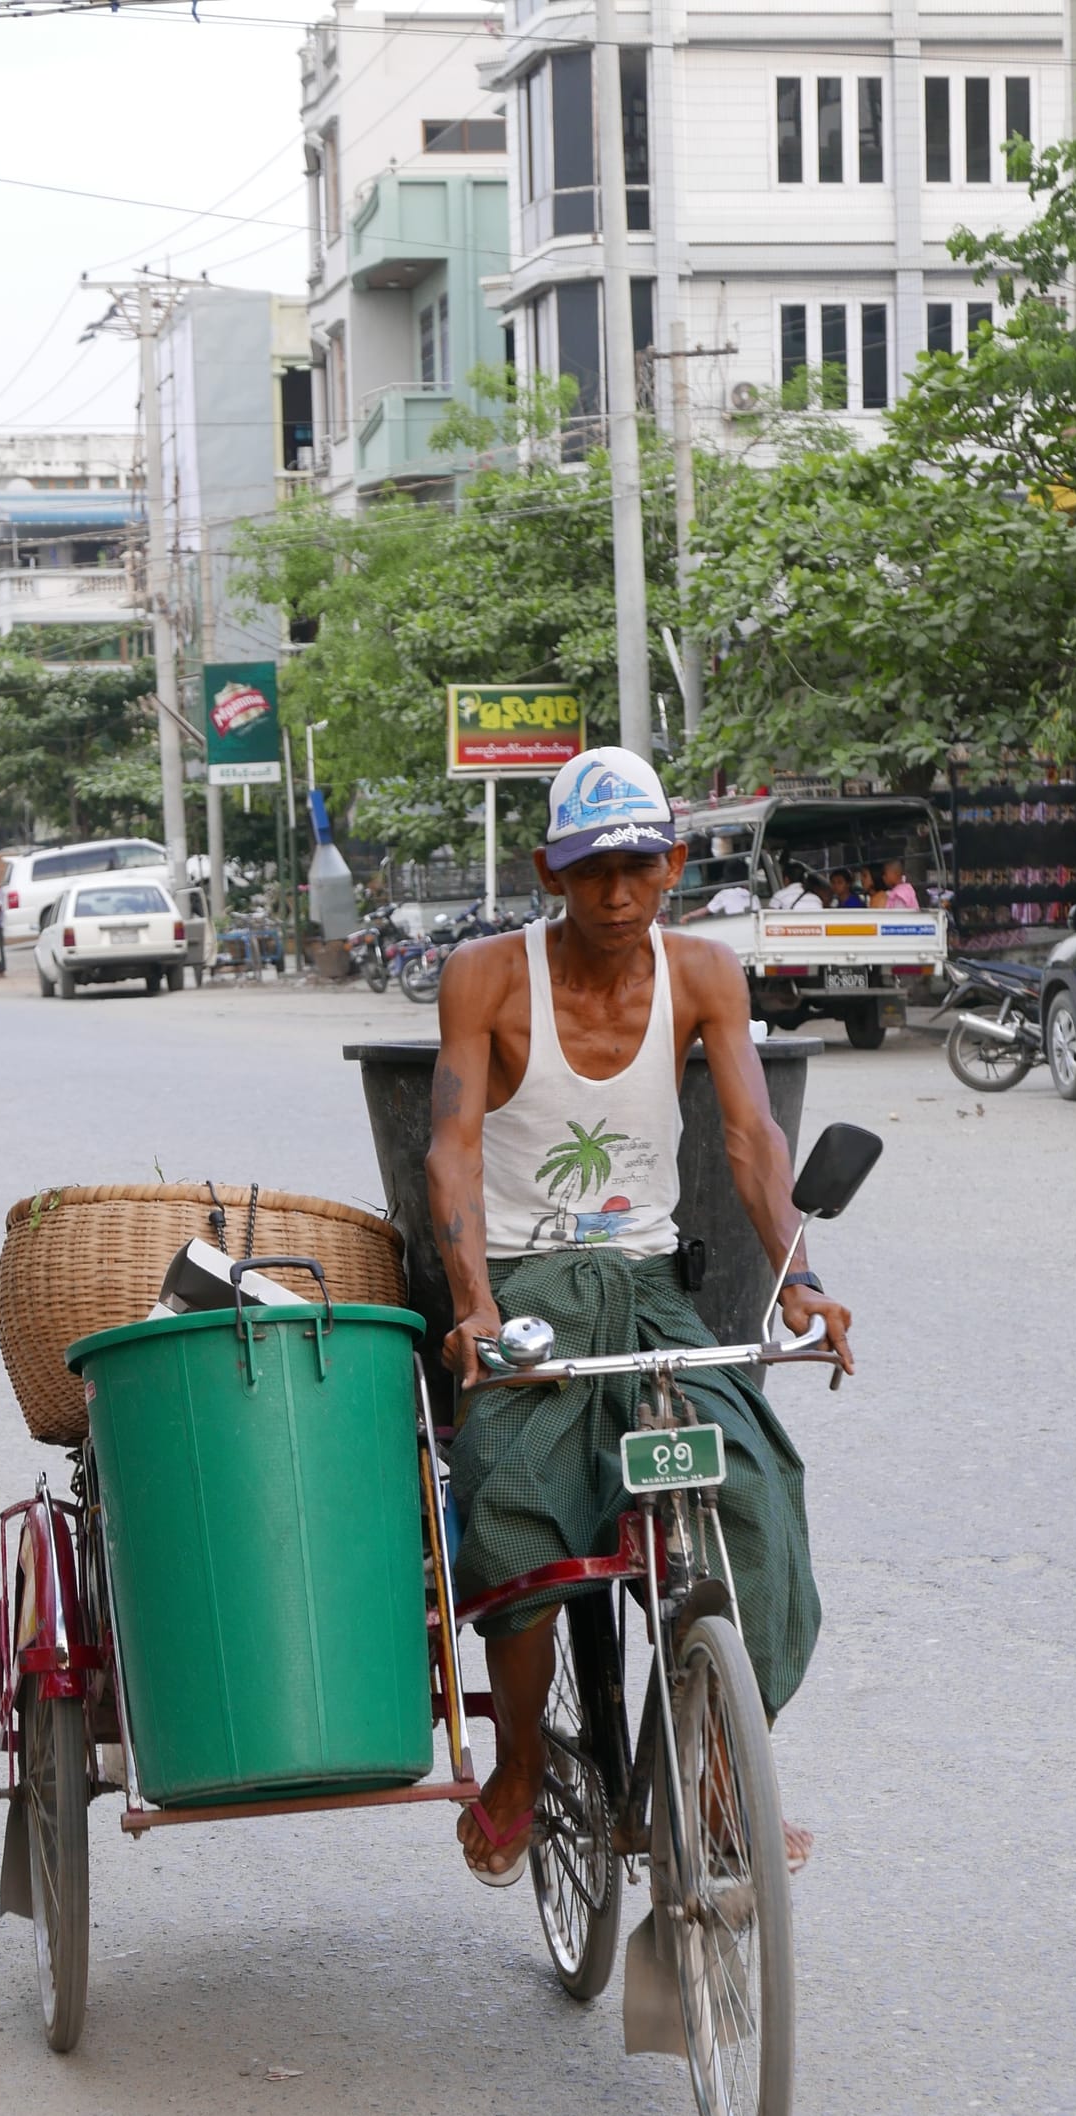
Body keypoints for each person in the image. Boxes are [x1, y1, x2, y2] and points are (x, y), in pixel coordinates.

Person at [427, 745, 854, 1885]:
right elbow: (451, 1149)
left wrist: (797, 1274)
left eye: (637, 868)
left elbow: (751, 1137)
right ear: (548, 872)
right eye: (590, 871)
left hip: (653, 1289)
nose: (615, 895)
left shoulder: (705, 971)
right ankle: (521, 1765)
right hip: (527, 1286)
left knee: (754, 1481)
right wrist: (473, 1303)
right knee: (510, 1500)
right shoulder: (485, 976)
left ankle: (717, 1772)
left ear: (673, 863)